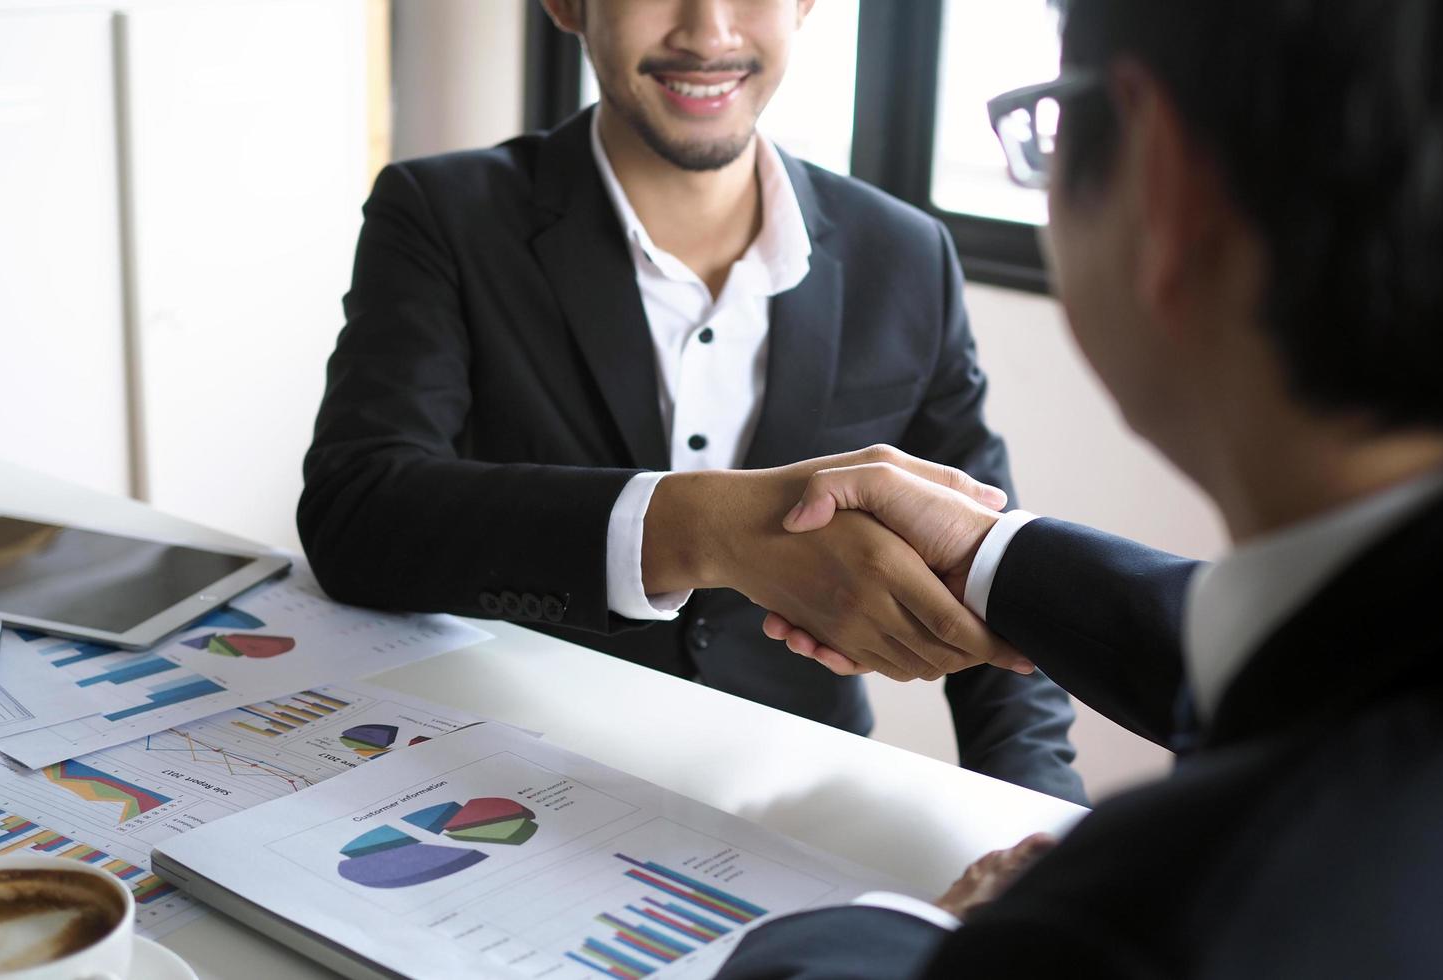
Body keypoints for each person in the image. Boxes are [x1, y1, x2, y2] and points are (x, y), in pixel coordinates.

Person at [715, 0, 1443, 975]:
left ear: (1162, 182)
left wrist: (930, 929)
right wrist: (991, 555)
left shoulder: (1151, 918)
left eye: (1054, 116)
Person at [297, 0, 1085, 802]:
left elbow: (992, 573)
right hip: (514, 777)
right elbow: (355, 514)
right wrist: (705, 529)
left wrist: (1043, 836)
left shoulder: (907, 252)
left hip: (808, 798)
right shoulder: (441, 213)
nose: (710, 34)